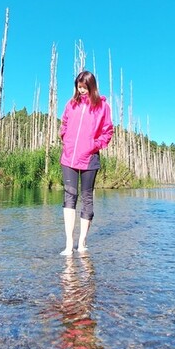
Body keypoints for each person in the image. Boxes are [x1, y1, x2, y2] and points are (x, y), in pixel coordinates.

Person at [59, 70, 113, 256]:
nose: (81, 90)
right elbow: (64, 123)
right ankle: (68, 244)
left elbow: (108, 131)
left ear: (92, 87)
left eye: (84, 87)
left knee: (87, 198)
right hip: (69, 158)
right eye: (78, 87)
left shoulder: (102, 107)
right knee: (69, 197)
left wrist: (94, 145)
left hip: (90, 158)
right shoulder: (71, 104)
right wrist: (64, 137)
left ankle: (82, 243)